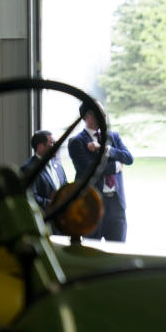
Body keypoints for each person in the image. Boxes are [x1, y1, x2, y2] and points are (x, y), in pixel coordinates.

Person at [67, 103, 133, 241]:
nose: (105, 115)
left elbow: (128, 158)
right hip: (91, 206)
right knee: (91, 252)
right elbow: (90, 170)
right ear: (88, 117)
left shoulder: (113, 137)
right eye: (101, 113)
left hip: (116, 205)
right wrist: (115, 166)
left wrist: (105, 149)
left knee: (118, 252)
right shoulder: (76, 142)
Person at [20, 130, 68, 212]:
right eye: (52, 143)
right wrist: (54, 204)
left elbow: (66, 188)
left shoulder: (58, 166)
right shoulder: (28, 169)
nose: (56, 145)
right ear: (40, 147)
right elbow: (30, 197)